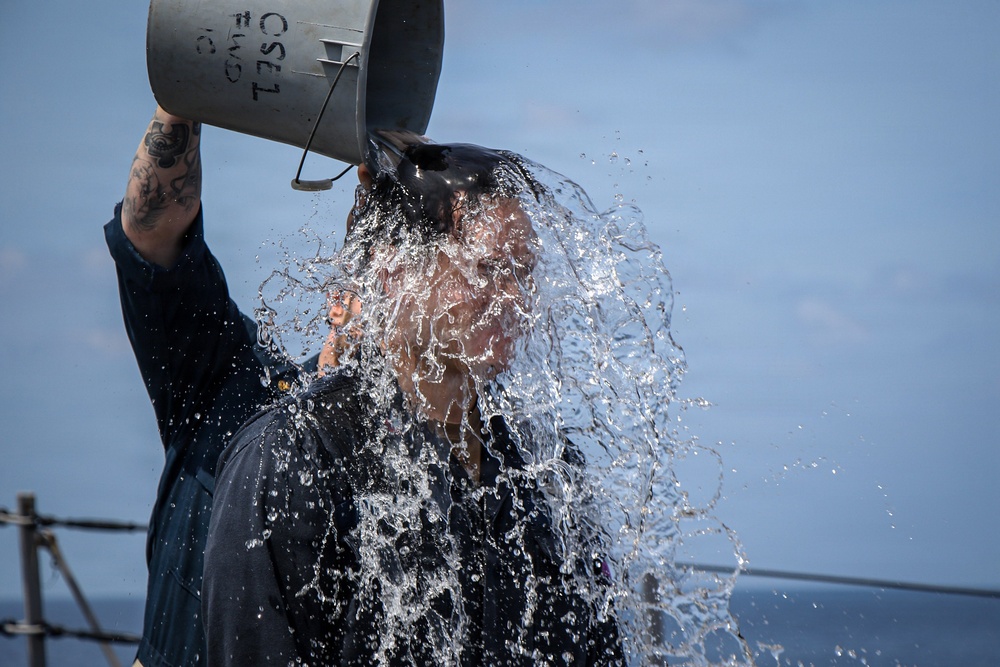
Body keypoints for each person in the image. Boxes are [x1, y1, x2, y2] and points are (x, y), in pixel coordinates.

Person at [202, 142, 626, 666]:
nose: (516, 298)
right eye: (491, 269)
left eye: (525, 273)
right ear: (395, 269)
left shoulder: (543, 466)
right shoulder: (296, 454)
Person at [106, 107, 358, 667]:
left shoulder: (429, 459)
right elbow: (151, 223)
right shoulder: (228, 377)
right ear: (339, 302)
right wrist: (185, 89)